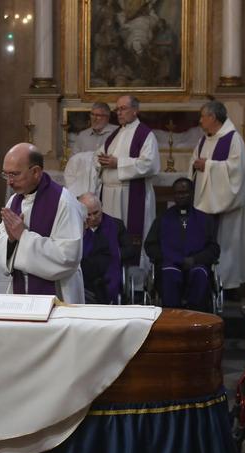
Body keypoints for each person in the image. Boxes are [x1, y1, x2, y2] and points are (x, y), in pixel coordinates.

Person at [0, 143, 86, 303]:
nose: (9, 182)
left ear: (36, 172)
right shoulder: (14, 201)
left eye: (14, 174)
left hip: (59, 294)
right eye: (5, 175)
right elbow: (0, 249)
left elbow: (68, 258)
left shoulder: (64, 203)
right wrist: (11, 240)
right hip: (21, 292)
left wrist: (23, 236)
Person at [187, 100, 245, 292]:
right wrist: (199, 166)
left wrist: (209, 165)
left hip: (225, 206)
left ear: (212, 117)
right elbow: (194, 164)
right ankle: (203, 280)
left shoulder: (233, 140)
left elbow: (236, 171)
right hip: (203, 201)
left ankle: (227, 284)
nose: (200, 121)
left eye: (202, 116)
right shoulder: (204, 139)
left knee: (226, 241)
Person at [97, 95, 160, 270]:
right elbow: (100, 155)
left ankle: (136, 283)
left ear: (135, 110)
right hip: (109, 195)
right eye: (117, 109)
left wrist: (119, 163)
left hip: (131, 194)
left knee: (132, 238)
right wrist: (99, 161)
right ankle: (112, 278)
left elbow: (150, 164)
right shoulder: (115, 135)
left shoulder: (145, 134)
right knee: (111, 237)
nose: (119, 112)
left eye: (123, 108)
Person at [144, 177, 220, 311]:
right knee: (170, 273)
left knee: (200, 273)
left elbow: (213, 248)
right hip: (170, 264)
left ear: (192, 194)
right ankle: (172, 316)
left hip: (196, 264)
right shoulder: (162, 218)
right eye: (178, 193)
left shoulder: (205, 219)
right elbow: (150, 245)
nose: (181, 196)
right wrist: (172, 259)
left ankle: (196, 315)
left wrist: (194, 260)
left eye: (185, 192)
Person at [77, 192, 138, 304]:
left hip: (108, 273)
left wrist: (110, 254)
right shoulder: (75, 226)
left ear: (101, 207)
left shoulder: (116, 225)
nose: (93, 218)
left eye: (96, 213)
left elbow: (130, 251)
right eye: (88, 215)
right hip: (84, 274)